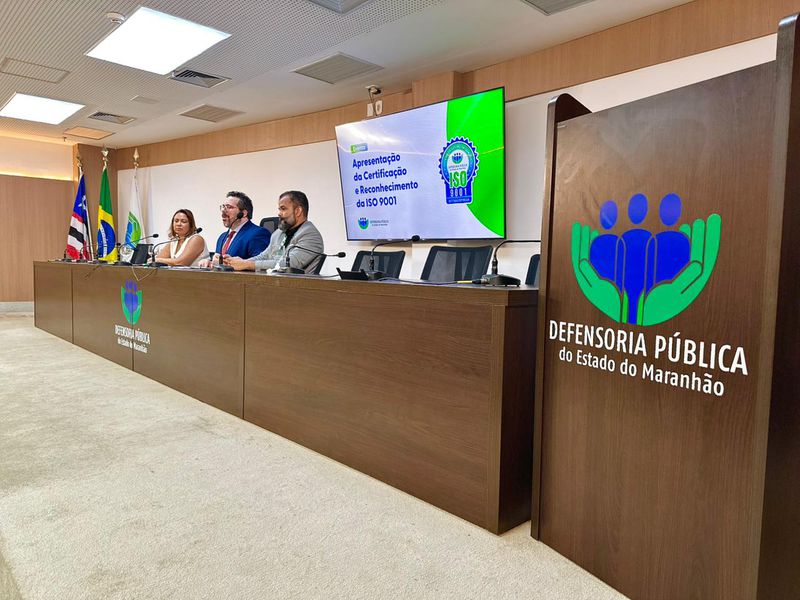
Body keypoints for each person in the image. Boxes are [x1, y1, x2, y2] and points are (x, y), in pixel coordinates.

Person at [223, 190, 324, 273]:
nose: (279, 213)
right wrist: (236, 263)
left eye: (283, 209)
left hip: (297, 288)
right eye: (279, 209)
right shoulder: (279, 232)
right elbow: (264, 256)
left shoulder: (310, 235)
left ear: (298, 211)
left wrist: (246, 264)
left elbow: (289, 264)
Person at [199, 191, 270, 268]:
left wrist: (235, 263)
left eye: (229, 207)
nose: (223, 210)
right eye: (223, 207)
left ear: (243, 214)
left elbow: (261, 265)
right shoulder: (222, 237)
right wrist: (210, 263)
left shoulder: (258, 233)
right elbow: (220, 265)